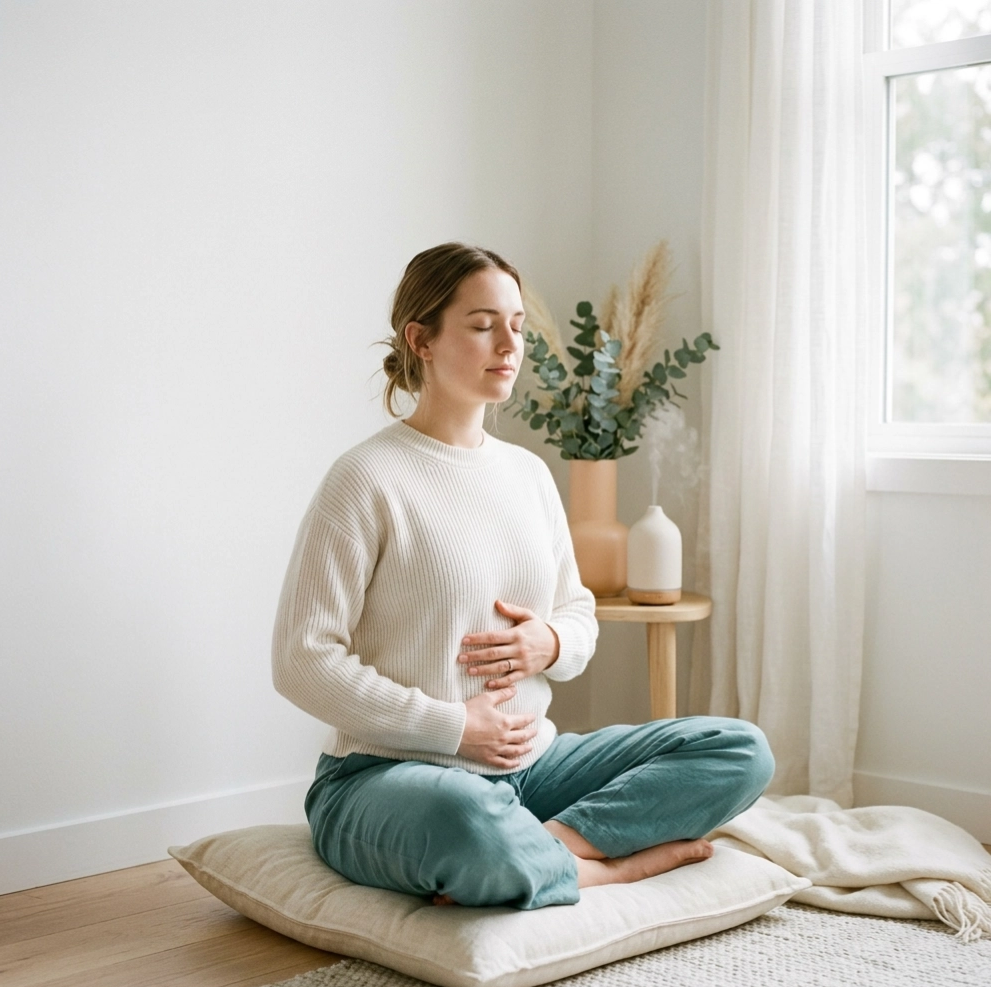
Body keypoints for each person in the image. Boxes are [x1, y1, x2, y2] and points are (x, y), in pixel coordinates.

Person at [272, 242, 774, 909]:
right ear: (420, 339)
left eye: (517, 325)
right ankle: (603, 868)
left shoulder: (528, 475)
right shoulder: (366, 478)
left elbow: (577, 609)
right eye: (483, 325)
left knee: (740, 750)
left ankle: (545, 848)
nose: (510, 343)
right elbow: (301, 661)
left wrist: (552, 644)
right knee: (464, 817)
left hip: (530, 767)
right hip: (388, 777)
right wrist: (451, 727)